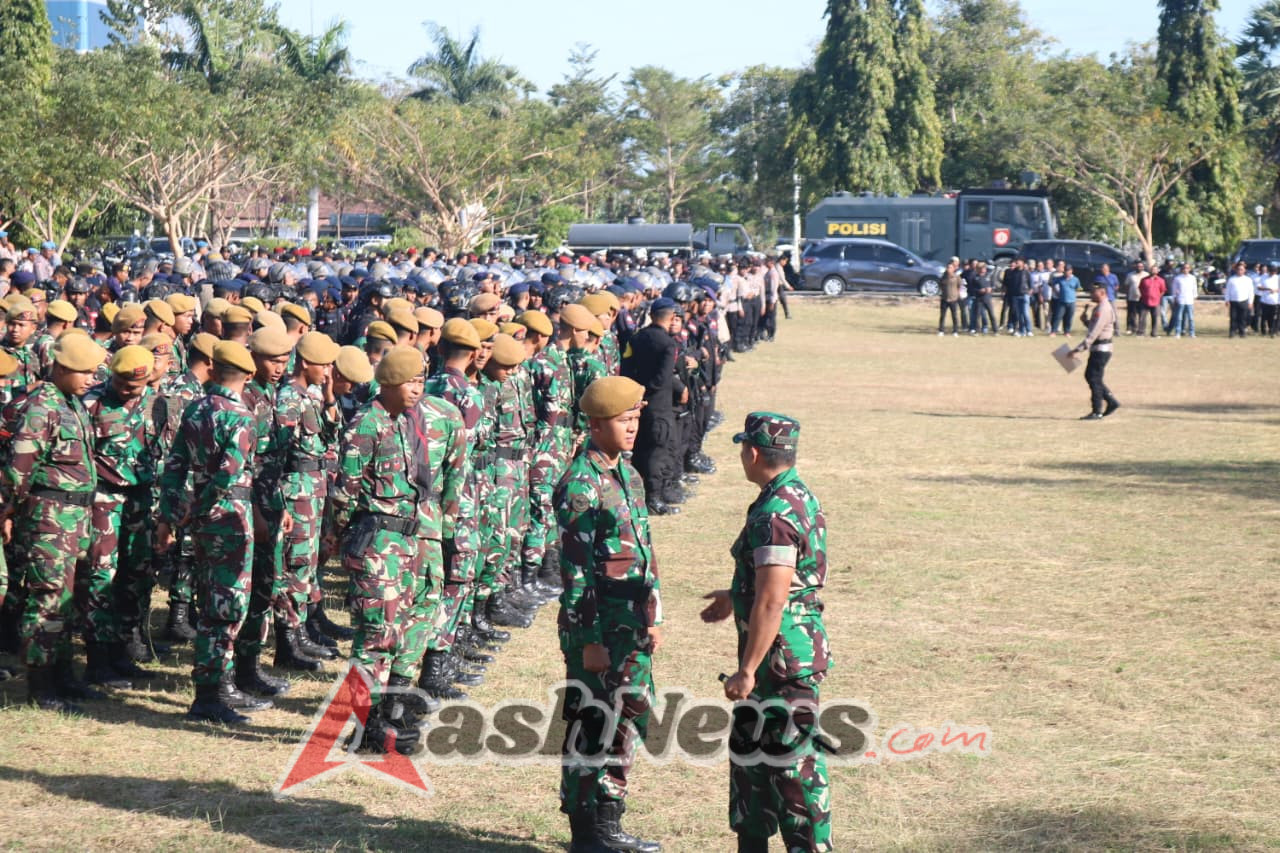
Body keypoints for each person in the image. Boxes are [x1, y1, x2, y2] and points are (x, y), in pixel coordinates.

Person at [702, 412, 832, 853]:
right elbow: (777, 584)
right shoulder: (791, 494)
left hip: (779, 664)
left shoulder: (776, 512)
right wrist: (735, 595)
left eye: (742, 449)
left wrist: (746, 670)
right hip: (779, 655)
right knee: (752, 765)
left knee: (792, 771)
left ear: (753, 452)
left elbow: (775, 599)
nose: (742, 456)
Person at [554, 375, 663, 853]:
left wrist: (654, 615)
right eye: (624, 420)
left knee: (628, 719)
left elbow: (644, 551)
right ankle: (588, 832)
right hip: (599, 627)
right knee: (592, 723)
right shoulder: (581, 484)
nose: (633, 427)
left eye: (636, 418)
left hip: (632, 625)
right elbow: (576, 573)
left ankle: (610, 820)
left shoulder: (628, 474)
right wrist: (591, 640)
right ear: (596, 425)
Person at [157, 341, 272, 724]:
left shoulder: (195, 408)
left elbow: (174, 465)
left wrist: (177, 511)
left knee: (208, 603)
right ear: (249, 374)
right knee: (227, 607)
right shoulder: (241, 416)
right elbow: (228, 471)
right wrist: (204, 505)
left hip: (204, 519)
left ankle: (215, 687)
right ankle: (211, 692)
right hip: (229, 519)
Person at [2, 334, 104, 712]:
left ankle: (62, 675)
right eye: (85, 372)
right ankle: (40, 685)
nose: (92, 378)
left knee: (64, 599)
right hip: (48, 517)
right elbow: (18, 469)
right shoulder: (41, 406)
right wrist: (9, 511)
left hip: (73, 516)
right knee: (45, 598)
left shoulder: (70, 402)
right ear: (61, 368)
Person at [1072, 284, 1119, 420]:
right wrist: (1085, 321)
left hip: (1101, 349)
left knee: (1094, 378)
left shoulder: (1103, 309)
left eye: (1094, 292)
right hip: (1099, 348)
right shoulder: (1100, 307)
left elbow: (1094, 333)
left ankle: (1097, 411)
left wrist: (1078, 349)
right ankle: (1111, 401)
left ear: (1102, 292)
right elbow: (1096, 327)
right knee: (1091, 376)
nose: (1091, 294)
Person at [1137, 266, 1166, 337]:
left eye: (1155, 270)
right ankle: (1141, 333)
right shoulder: (1144, 280)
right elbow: (1140, 288)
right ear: (1149, 271)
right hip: (1145, 301)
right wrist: (1145, 295)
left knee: (1155, 318)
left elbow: (1163, 290)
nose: (1153, 271)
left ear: (1157, 271)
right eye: (1152, 270)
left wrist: (1157, 296)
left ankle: (1154, 333)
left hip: (1156, 302)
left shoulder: (1161, 280)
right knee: (1142, 318)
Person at [938, 258, 962, 336]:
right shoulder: (943, 277)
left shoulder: (956, 277)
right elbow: (940, 285)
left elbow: (959, 286)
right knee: (942, 315)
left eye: (950, 268)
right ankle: (941, 330)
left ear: (953, 269)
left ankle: (955, 331)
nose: (949, 269)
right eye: (948, 268)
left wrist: (957, 294)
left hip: (953, 299)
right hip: (944, 298)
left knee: (954, 316)